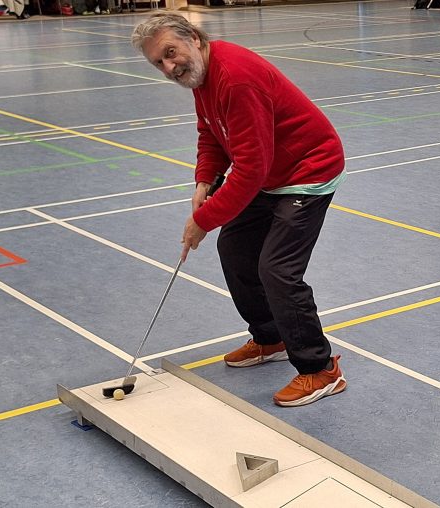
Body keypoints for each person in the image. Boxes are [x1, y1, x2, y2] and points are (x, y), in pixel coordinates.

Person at [131, 14, 347, 407]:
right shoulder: (201, 76)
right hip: (272, 174)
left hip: (307, 170)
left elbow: (250, 170)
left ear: (194, 39)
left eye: (170, 53)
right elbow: (210, 132)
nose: (168, 68)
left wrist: (202, 220)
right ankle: (270, 337)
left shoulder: (236, 77)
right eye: (157, 63)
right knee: (235, 249)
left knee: (278, 269)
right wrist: (203, 182)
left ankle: (320, 369)